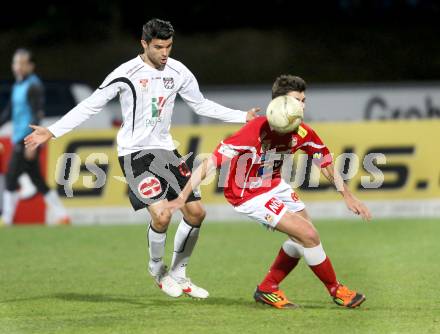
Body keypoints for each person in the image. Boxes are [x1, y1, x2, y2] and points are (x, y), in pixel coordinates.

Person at [24, 19, 258, 299]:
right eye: (158, 47)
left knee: (197, 213)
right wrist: (52, 131)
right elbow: (91, 104)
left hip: (166, 151)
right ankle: (157, 270)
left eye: (169, 46)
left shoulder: (178, 71)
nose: (164, 53)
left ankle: (180, 274)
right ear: (144, 44)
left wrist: (242, 116)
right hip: (134, 155)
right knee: (161, 216)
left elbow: (200, 104)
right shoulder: (126, 73)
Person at [165, 75, 372, 309]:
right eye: (297, 100)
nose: (302, 106)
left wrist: (347, 195)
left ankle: (267, 288)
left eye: (304, 100)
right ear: (280, 103)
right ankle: (337, 291)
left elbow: (323, 160)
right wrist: (182, 197)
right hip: (247, 194)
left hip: (274, 184)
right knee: (309, 235)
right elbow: (210, 163)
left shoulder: (301, 132)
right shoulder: (254, 131)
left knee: (305, 236)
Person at [0, 48, 69, 226]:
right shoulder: (18, 85)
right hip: (21, 139)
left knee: (10, 178)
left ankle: (6, 219)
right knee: (37, 180)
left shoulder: (33, 85)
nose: (18, 67)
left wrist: (32, 142)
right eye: (16, 63)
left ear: (31, 66)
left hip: (26, 140)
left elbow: (37, 114)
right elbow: (9, 112)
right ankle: (63, 215)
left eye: (22, 63)